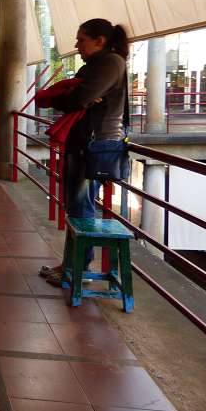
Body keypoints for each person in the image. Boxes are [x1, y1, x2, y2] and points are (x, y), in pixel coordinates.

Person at [37, 19, 129, 287]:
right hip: (86, 143)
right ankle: (71, 265)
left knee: (81, 207)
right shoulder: (97, 65)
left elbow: (76, 100)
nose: (77, 46)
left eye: (81, 40)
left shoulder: (110, 63)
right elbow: (78, 97)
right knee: (76, 207)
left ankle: (77, 269)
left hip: (95, 146)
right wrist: (75, 94)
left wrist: (70, 94)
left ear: (100, 40)